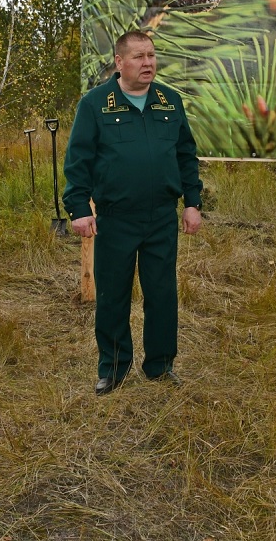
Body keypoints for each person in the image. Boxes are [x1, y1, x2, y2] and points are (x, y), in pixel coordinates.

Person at [63, 30, 203, 395]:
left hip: (160, 217)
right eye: (139, 57)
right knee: (112, 295)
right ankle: (113, 369)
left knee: (162, 293)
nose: (148, 63)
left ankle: (160, 365)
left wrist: (192, 203)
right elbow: (79, 160)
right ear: (119, 62)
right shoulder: (96, 104)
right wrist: (79, 208)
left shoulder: (169, 102)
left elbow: (186, 155)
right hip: (116, 216)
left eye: (152, 56)